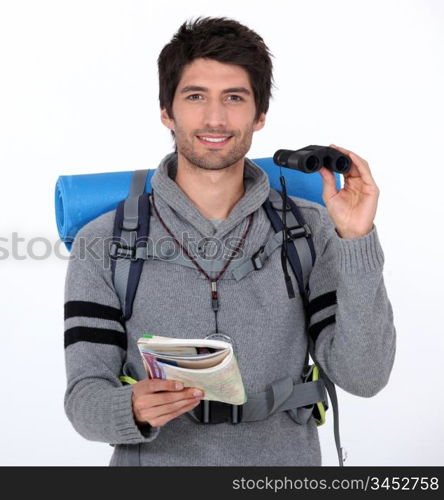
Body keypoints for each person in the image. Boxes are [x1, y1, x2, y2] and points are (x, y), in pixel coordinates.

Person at [62, 16, 395, 466]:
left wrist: (355, 239)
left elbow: (365, 376)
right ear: (167, 111)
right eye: (195, 96)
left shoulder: (313, 231)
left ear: (259, 114)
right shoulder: (102, 241)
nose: (215, 118)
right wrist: (130, 409)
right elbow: (83, 399)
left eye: (234, 98)